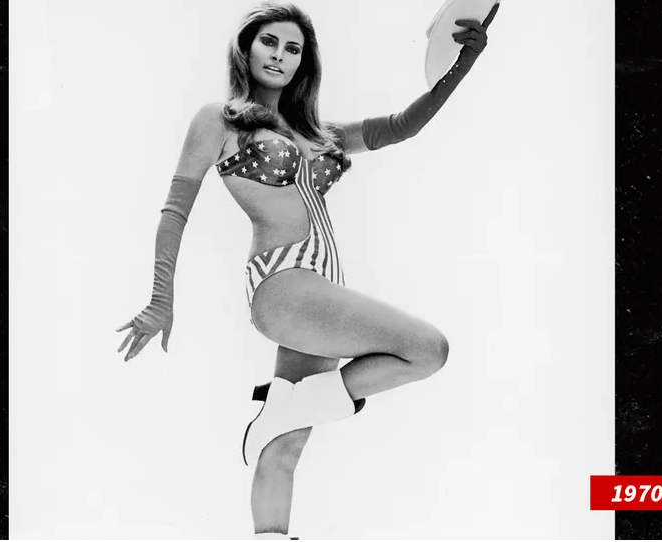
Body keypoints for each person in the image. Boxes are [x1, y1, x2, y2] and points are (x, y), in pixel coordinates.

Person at [116, 1, 499, 538]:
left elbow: (402, 126)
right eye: (269, 42)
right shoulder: (219, 120)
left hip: (319, 292)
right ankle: (278, 413)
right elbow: (175, 210)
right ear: (246, 49)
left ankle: (271, 508)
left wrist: (462, 65)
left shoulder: (321, 134)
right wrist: (161, 298)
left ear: (304, 62)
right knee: (428, 349)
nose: (280, 55)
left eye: (293, 48)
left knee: (285, 445)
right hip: (283, 283)